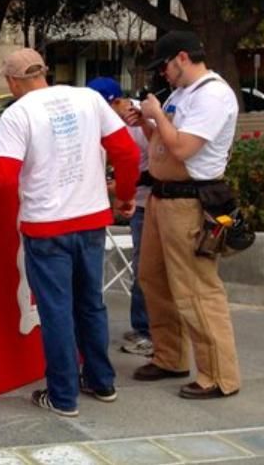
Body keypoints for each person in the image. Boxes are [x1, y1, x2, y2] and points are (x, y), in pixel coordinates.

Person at [0, 49, 139, 417]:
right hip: (90, 221)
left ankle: (63, 395)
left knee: (56, 311)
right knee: (91, 304)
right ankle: (101, 382)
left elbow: (2, 178)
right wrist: (127, 196)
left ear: (11, 81)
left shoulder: (18, 114)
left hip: (45, 227)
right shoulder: (88, 98)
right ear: (45, 72)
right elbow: (127, 153)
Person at [131, 31, 241, 400]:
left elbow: (181, 147)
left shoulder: (213, 94)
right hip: (162, 198)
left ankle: (219, 376)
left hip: (191, 200)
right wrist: (146, 121)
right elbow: (163, 140)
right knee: (153, 279)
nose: (162, 74)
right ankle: (170, 356)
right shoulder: (181, 94)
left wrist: (156, 114)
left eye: (164, 66)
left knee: (197, 289)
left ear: (181, 57)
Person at [87, 77, 153, 357]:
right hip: (134, 197)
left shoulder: (138, 121)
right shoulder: (107, 120)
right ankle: (142, 326)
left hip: (148, 199)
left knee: (145, 269)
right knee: (140, 265)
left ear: (114, 102)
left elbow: (152, 162)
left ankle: (148, 332)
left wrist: (123, 190)